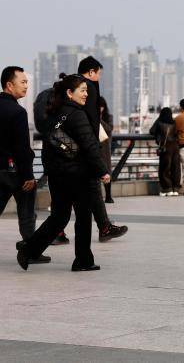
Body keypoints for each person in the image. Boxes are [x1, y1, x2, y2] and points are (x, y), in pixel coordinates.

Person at [17, 73, 111, 271]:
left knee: (59, 216)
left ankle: (29, 250)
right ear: (70, 93)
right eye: (82, 90)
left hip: (58, 175)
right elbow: (90, 145)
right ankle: (83, 261)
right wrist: (102, 171)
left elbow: (49, 146)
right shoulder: (77, 114)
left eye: (86, 90)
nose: (86, 94)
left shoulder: (55, 113)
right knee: (83, 217)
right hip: (78, 175)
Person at [0, 67, 50, 264]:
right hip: (15, 171)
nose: (26, 86)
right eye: (22, 82)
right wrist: (29, 175)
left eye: (27, 82)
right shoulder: (18, 112)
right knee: (27, 211)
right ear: (9, 85)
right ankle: (31, 250)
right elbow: (21, 148)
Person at [76, 56, 128, 242]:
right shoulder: (88, 87)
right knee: (66, 207)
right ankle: (33, 246)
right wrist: (99, 165)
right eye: (99, 74)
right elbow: (90, 123)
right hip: (85, 150)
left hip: (79, 150)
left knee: (87, 193)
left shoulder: (73, 86)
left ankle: (104, 227)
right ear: (91, 72)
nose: (99, 77)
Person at [149, 107, 181, 196]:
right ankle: (175, 189)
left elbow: (152, 131)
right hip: (175, 147)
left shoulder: (159, 122)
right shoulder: (174, 123)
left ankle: (167, 189)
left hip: (165, 147)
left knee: (164, 168)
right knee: (175, 168)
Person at [97, 97, 114, 203]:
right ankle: (98, 197)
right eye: (99, 106)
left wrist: (99, 120)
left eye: (102, 106)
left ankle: (108, 196)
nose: (100, 108)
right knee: (97, 171)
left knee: (107, 171)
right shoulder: (91, 116)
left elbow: (109, 128)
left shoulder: (109, 117)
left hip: (105, 148)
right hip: (95, 147)